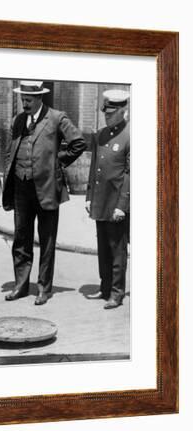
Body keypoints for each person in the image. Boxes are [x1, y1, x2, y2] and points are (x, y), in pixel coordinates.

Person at [2, 80, 87, 305]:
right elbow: (10, 152)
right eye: (22, 100)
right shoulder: (18, 120)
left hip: (47, 187)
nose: (25, 104)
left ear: (39, 98)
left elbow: (78, 143)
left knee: (47, 241)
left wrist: (58, 162)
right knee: (21, 238)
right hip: (21, 187)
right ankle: (20, 285)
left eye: (28, 100)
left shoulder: (57, 117)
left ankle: (44, 288)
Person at [85, 90, 130, 309]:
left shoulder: (130, 136)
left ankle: (117, 292)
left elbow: (131, 174)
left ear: (123, 111)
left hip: (117, 202)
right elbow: (95, 167)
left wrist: (123, 205)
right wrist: (88, 196)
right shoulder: (101, 134)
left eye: (111, 113)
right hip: (100, 200)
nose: (107, 116)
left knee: (117, 249)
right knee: (103, 247)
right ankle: (105, 287)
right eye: (105, 112)